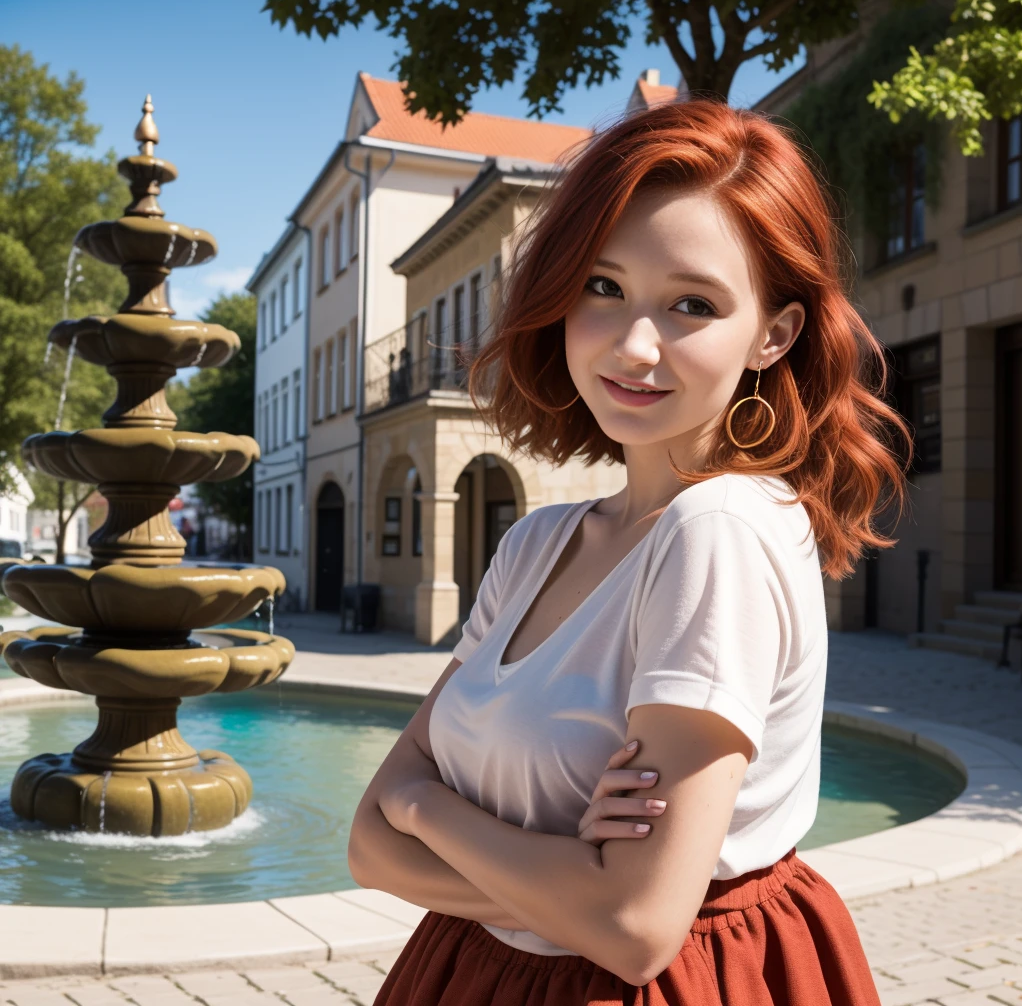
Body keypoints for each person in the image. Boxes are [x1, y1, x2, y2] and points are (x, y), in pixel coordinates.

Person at [348, 97, 911, 1005]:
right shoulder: (536, 544)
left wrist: (425, 807)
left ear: (775, 333)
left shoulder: (717, 531)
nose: (634, 344)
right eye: (602, 286)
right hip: (479, 971)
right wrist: (563, 872)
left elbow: (636, 927)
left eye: (693, 304)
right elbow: (367, 847)